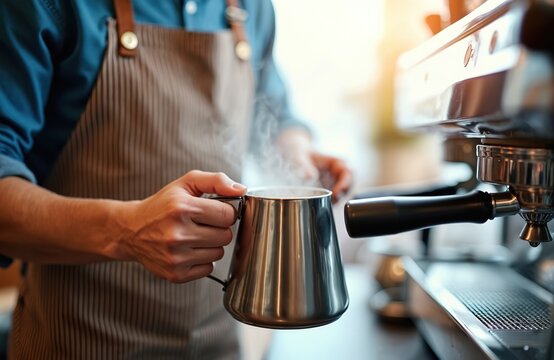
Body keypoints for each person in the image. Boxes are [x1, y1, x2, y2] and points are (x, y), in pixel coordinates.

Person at [0, 0, 352, 358]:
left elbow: (274, 113)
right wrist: (126, 231)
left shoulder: (252, 8)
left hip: (222, 340)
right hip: (79, 341)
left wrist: (297, 156)